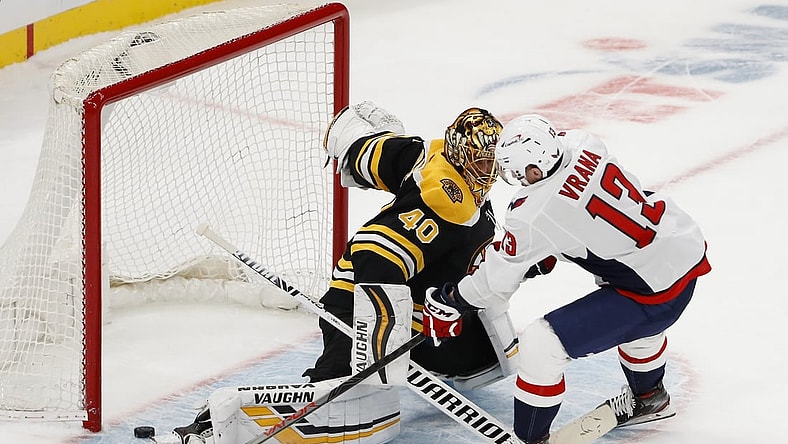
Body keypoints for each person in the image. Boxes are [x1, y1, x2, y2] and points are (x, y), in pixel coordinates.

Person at [171, 102, 520, 444]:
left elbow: (373, 154)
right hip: (359, 302)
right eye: (481, 161)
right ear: (461, 156)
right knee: (344, 380)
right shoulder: (447, 205)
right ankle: (220, 425)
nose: (488, 171)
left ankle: (421, 351)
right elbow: (373, 253)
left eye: (493, 161)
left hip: (418, 299)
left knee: (488, 355)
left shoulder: (427, 155)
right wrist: (383, 337)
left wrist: (352, 141)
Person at [422, 114, 711, 444]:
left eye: (518, 173)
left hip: (653, 292)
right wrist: (546, 252)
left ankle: (530, 439)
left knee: (541, 344)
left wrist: (454, 300)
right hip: (682, 250)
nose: (517, 179)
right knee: (632, 320)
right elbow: (585, 214)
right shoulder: (583, 142)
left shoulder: (532, 213)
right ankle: (649, 397)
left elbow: (493, 284)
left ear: (531, 170)